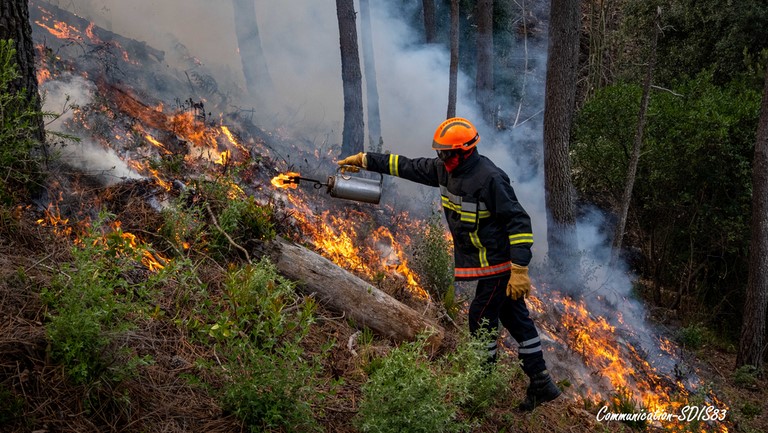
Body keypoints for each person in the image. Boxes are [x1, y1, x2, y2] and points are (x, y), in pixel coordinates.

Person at [337, 117, 561, 411]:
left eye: (448, 153)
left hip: (500, 263)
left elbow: (518, 221)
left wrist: (519, 269)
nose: (442, 159)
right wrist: (366, 160)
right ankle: (541, 381)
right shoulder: (444, 169)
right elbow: (405, 165)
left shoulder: (489, 178)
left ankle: (479, 384)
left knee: (480, 315)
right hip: (485, 263)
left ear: (466, 151)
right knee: (515, 318)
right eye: (440, 153)